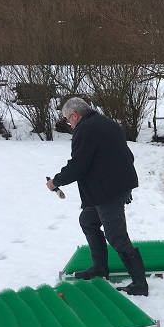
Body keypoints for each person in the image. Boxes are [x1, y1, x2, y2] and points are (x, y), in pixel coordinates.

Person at [46, 97, 148, 296]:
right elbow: (128, 156)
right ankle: (100, 268)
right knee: (88, 220)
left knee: (116, 236)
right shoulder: (108, 124)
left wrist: (55, 182)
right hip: (113, 186)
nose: (69, 124)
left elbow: (78, 166)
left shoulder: (85, 130)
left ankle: (140, 284)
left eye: (68, 119)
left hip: (107, 191)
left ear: (75, 115)